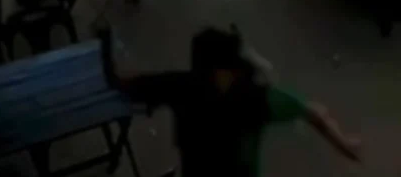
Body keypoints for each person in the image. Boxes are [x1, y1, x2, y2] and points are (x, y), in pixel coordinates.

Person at [100, 26, 361, 177]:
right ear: (223, 70)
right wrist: (343, 143)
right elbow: (312, 112)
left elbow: (126, 83)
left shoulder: (180, 85)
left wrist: (105, 49)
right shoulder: (254, 99)